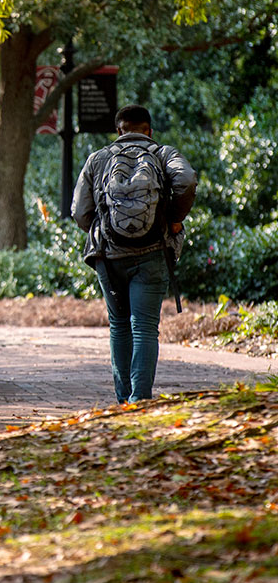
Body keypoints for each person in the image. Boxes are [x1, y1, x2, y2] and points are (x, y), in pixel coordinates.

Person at [71, 104, 196, 404]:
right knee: (144, 327)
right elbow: (187, 180)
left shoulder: (98, 159)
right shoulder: (164, 154)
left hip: (109, 256)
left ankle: (122, 399)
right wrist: (174, 219)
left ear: (119, 131)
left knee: (119, 325)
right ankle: (140, 399)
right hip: (153, 253)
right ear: (149, 131)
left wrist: (106, 228)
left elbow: (79, 211)